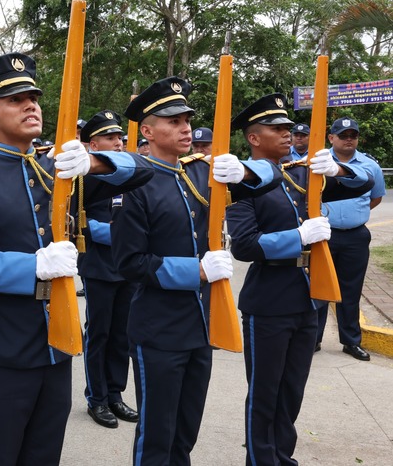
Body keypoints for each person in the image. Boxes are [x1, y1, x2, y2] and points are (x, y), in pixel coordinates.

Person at [0, 53, 154, 465]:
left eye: (33, 97)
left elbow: (144, 170)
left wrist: (93, 160)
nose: (30, 104)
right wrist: (30, 268)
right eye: (15, 99)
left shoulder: (58, 170)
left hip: (56, 344)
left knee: (44, 455)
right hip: (1, 346)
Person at [116, 77, 281, 466]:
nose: (185, 127)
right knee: (157, 435)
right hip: (158, 328)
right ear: (148, 131)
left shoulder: (200, 173)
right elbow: (130, 264)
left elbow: (272, 178)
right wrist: (198, 271)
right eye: (172, 121)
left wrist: (244, 172)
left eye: (187, 119)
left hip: (201, 325)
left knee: (186, 431)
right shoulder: (135, 183)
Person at [226, 96, 372, 466]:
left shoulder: (303, 172)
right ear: (254, 139)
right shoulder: (241, 180)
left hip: (309, 297)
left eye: (288, 128)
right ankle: (261, 460)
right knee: (264, 393)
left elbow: (363, 185)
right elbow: (244, 245)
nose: (288, 134)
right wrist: (298, 238)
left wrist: (339, 171)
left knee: (291, 391)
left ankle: (282, 456)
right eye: (277, 129)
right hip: (270, 299)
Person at [74, 110, 140, 429]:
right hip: (100, 263)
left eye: (120, 138)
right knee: (99, 333)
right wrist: (126, 236)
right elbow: (83, 224)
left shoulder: (127, 172)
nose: (118, 142)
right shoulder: (84, 174)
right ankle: (96, 398)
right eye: (111, 138)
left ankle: (115, 393)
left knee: (122, 334)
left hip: (126, 265)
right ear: (93, 142)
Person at [315, 117, 385, 360]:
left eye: (352, 135)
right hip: (324, 235)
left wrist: (354, 215)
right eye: (343, 135)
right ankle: (313, 339)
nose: (348, 139)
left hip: (356, 236)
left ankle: (350, 341)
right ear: (331, 138)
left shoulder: (369, 165)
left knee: (351, 290)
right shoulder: (319, 163)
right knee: (319, 288)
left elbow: (375, 198)